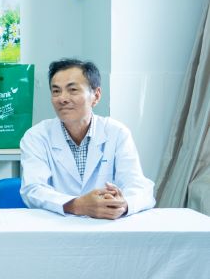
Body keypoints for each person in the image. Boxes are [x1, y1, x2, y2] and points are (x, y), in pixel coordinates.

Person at [20, 59, 155, 218]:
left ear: (96, 96)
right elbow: (33, 189)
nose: (62, 98)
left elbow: (139, 186)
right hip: (56, 229)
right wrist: (78, 205)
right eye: (56, 91)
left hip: (106, 228)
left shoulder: (116, 133)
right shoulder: (36, 136)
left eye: (73, 90)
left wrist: (124, 204)